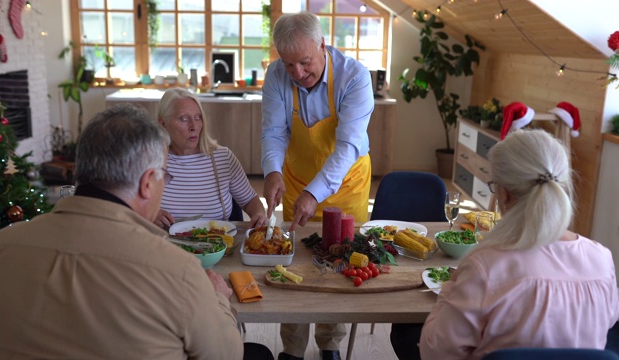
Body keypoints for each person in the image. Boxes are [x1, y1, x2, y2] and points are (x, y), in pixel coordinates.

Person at [0, 104, 273, 360]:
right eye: (164, 177)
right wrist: (219, 299)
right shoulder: (179, 270)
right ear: (148, 183)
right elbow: (225, 355)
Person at [400, 129, 619, 360]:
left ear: (503, 194)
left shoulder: (485, 267)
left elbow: (434, 352)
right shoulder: (601, 259)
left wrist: (450, 287)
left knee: (404, 332)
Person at [261, 11, 374, 360]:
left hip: (346, 183)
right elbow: (274, 131)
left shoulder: (354, 77)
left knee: (338, 263)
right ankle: (293, 349)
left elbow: (348, 145)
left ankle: (330, 344)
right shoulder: (276, 75)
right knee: (295, 262)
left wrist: (315, 192)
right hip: (297, 178)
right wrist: (271, 171)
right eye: (289, 64)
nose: (297, 73)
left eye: (305, 62)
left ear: (322, 45)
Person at [153, 88, 267, 230]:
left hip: (218, 248)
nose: (194, 126)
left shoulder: (222, 158)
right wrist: (150, 214)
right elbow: (127, 210)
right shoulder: (150, 161)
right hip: (167, 247)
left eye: (197, 118)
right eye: (184, 119)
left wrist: (259, 215)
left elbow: (250, 200)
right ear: (162, 123)